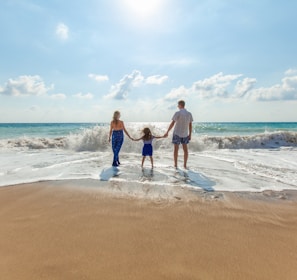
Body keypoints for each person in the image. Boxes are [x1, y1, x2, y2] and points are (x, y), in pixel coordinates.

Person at [164, 100, 193, 169]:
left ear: (180, 105)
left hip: (177, 133)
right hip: (185, 134)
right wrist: (190, 134)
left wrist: (167, 131)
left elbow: (172, 123)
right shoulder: (189, 114)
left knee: (176, 150)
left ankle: (175, 164)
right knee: (185, 150)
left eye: (178, 105)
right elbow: (190, 125)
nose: (177, 106)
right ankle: (185, 165)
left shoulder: (177, 113)